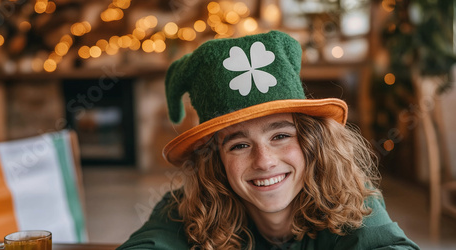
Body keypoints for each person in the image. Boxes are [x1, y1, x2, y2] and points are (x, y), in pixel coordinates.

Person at [118, 30, 420, 249]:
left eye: (280, 136)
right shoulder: (188, 207)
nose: (264, 161)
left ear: (312, 142)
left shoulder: (350, 201)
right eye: (239, 145)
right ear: (216, 161)